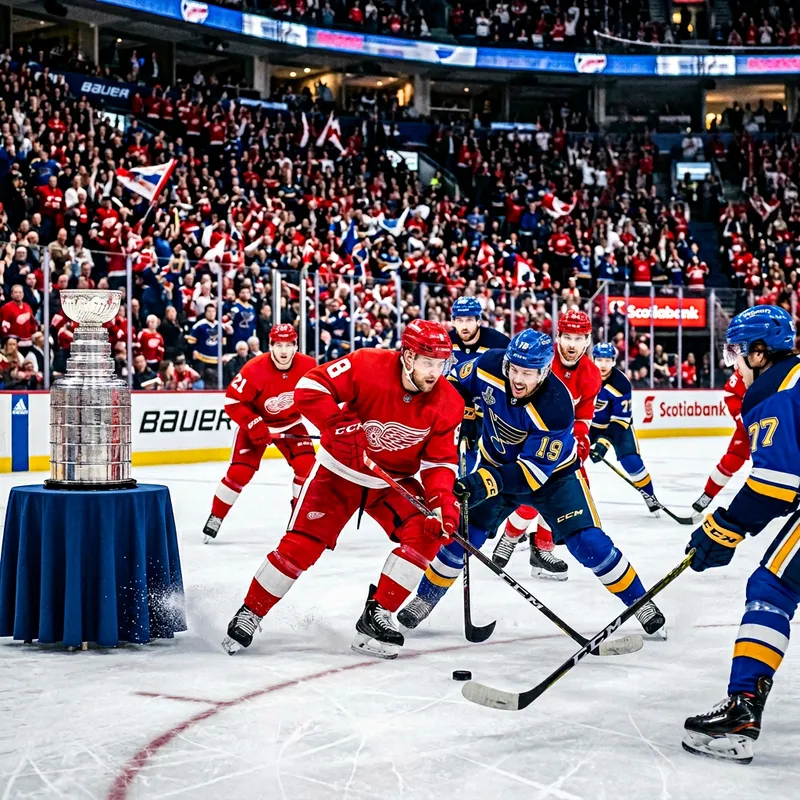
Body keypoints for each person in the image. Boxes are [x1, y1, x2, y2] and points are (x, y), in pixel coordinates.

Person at [398, 330, 666, 639]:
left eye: (528, 373)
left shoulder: (556, 406)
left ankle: (641, 603)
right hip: (496, 462)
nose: (518, 379)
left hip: (555, 479)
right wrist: (444, 411)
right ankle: (424, 599)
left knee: (589, 544)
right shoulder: (489, 365)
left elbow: (530, 475)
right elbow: (454, 381)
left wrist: (479, 481)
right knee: (462, 536)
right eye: (515, 369)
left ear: (545, 371)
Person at [222, 320, 464, 659]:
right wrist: (335, 424)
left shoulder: (448, 402)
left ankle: (376, 615)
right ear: (407, 356)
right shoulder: (368, 364)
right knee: (300, 546)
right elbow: (310, 387)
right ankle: (251, 611)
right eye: (428, 363)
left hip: (390, 482)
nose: (434, 372)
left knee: (427, 533)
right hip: (337, 473)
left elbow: (439, 463)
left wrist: (441, 504)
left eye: (441, 364)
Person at [683, 306, 799, 763]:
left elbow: (777, 484)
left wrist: (723, 530)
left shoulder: (776, 390)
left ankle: (742, 709)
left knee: (773, 586)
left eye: (735, 352)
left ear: (758, 352)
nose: (731, 362)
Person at [494, 309, 601, 578]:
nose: (572, 345)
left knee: (563, 493)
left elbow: (583, 418)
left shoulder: (591, 375)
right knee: (532, 489)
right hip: (526, 437)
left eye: (579, 338)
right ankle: (511, 535)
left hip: (561, 443)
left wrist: (581, 442)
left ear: (588, 341)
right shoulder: (540, 360)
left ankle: (542, 548)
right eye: (567, 337)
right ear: (558, 337)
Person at [204, 325, 316, 541]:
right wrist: (255, 425)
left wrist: (331, 426)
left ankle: (298, 522)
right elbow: (232, 401)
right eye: (279, 345)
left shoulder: (308, 366)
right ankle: (216, 516)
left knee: (307, 470)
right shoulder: (254, 368)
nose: (284, 351)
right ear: (271, 346)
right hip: (256, 424)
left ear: (296, 346)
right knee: (239, 473)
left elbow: (319, 397)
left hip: (291, 424)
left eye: (289, 345)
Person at [588, 342, 660, 513]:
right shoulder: (584, 377)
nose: (603, 364)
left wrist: (603, 443)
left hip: (619, 426)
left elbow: (620, 419)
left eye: (607, 360)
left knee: (632, 462)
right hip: (589, 426)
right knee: (569, 459)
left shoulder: (621, 383)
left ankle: (649, 495)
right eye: (599, 360)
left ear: (614, 361)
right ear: (593, 360)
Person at [448, 295, 510, 470]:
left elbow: (507, 382)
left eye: (469, 320)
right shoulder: (446, 342)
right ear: (453, 321)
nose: (464, 325)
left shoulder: (499, 344)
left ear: (478, 321)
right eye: (459, 320)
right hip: (455, 404)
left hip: (489, 405)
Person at [692, 367, 749, 514]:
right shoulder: (748, 365)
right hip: (751, 423)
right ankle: (708, 495)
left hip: (783, 422)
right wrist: (739, 416)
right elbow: (731, 393)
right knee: (732, 460)